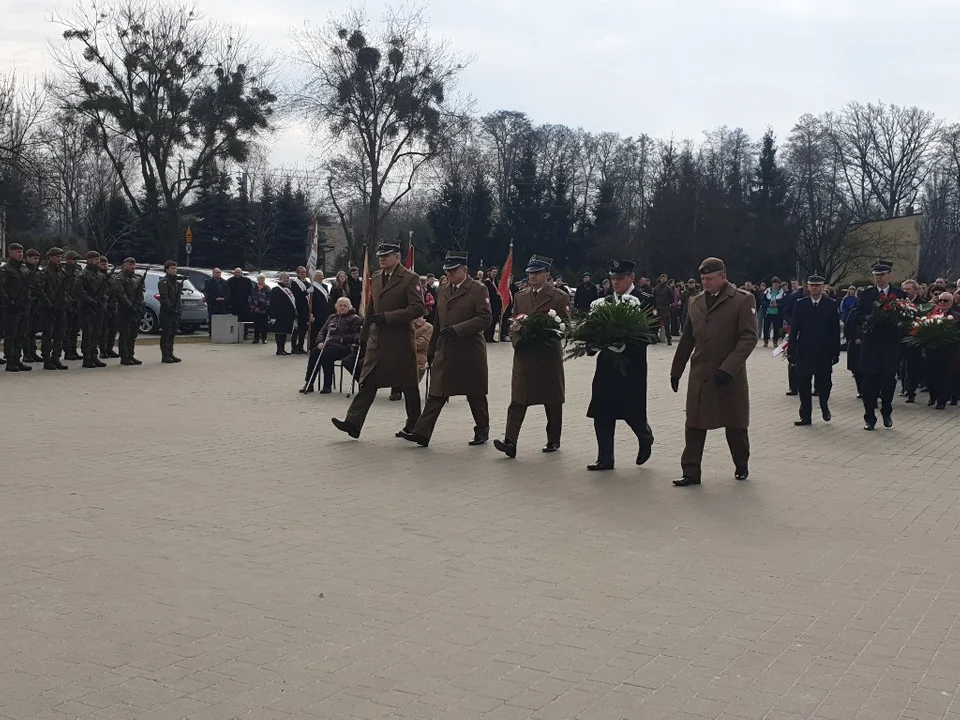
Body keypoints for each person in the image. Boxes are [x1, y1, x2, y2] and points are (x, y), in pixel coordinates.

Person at [670, 257, 757, 486]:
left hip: (729, 374)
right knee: (694, 423)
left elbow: (748, 337)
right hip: (701, 372)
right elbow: (688, 336)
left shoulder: (742, 300)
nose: (705, 282)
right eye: (702, 279)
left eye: (709, 278)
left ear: (723, 277)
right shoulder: (695, 302)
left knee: (735, 423)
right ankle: (691, 471)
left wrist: (729, 368)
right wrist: (676, 370)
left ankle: (741, 463)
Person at [332, 242, 425, 439]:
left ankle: (414, 425)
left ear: (397, 257)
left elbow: (418, 308)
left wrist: (390, 317)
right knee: (367, 381)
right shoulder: (375, 277)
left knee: (409, 384)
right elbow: (372, 308)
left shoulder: (409, 278)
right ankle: (353, 423)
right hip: (378, 340)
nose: (382, 258)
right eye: (380, 255)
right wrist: (363, 336)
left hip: (400, 341)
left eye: (387, 255)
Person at [398, 251, 491, 448]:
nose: (449, 274)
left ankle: (482, 430)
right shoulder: (443, 289)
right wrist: (431, 350)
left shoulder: (477, 289)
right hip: (446, 349)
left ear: (465, 270)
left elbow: (485, 318)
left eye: (453, 270)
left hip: (469, 350)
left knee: (474, 393)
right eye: (447, 270)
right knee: (437, 393)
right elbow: (438, 322)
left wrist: (458, 330)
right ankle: (422, 433)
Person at [493, 254, 571, 458]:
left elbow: (565, 325)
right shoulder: (520, 296)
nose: (532, 277)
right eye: (530, 273)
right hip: (525, 355)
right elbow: (515, 323)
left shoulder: (558, 296)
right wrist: (518, 341)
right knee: (518, 400)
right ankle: (510, 442)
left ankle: (553, 438)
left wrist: (548, 334)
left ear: (547, 274)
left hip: (547, 356)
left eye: (537, 273)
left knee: (552, 400)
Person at [585, 259, 655, 471]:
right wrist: (592, 342)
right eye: (613, 278)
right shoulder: (604, 301)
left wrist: (624, 343)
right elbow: (592, 327)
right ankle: (605, 458)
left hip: (631, 366)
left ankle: (645, 437)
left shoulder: (644, 299)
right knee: (601, 411)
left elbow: (648, 334)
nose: (615, 283)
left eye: (620, 278)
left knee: (632, 411)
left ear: (632, 278)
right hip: (606, 365)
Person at [852, 262, 902, 430]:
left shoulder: (898, 294)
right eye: (876, 275)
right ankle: (869, 417)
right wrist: (869, 318)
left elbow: (907, 316)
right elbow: (857, 315)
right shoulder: (867, 295)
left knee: (889, 382)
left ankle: (886, 411)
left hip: (890, 345)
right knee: (869, 384)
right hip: (871, 345)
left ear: (889, 275)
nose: (879, 278)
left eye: (882, 274)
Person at [788, 275, 840, 425]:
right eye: (812, 285)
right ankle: (805, 416)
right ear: (808, 287)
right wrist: (791, 350)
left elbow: (835, 330)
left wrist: (835, 352)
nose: (814, 288)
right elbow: (795, 329)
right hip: (804, 350)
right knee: (804, 383)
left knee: (825, 383)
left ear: (823, 287)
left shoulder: (830, 304)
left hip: (823, 351)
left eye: (817, 286)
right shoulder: (801, 304)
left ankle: (824, 404)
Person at [301, 296, 362, 394]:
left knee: (326, 354)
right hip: (328, 345)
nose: (342, 307)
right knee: (314, 352)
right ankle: (309, 383)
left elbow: (356, 335)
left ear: (349, 307)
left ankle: (327, 385)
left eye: (345, 306)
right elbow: (322, 331)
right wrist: (320, 342)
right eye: (340, 305)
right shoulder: (332, 317)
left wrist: (341, 339)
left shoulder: (354, 318)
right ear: (336, 307)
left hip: (344, 347)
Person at [73, 251, 109, 368]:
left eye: (98, 259)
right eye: (95, 259)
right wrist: (90, 300)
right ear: (88, 260)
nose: (98, 261)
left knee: (96, 333)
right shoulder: (83, 275)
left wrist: (102, 302)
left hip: (98, 308)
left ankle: (94, 355)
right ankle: (87, 358)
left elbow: (105, 291)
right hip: (87, 309)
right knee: (88, 333)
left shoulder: (101, 275)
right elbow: (78, 290)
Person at [925, 293, 960, 410]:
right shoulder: (931, 314)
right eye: (940, 300)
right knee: (930, 375)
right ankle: (933, 396)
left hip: (947, 351)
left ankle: (942, 400)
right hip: (932, 350)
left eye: (946, 301)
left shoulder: (956, 316)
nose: (943, 303)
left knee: (944, 376)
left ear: (951, 303)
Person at [0, 243, 32, 372]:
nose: (20, 254)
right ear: (10, 253)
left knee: (21, 335)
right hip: (10, 308)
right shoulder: (5, 270)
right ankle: (10, 361)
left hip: (23, 307)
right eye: (17, 252)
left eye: (21, 252)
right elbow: (1, 288)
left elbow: (29, 286)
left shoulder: (24, 269)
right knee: (11, 335)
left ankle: (18, 359)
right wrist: (9, 301)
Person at [38, 247, 70, 370]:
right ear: (50, 257)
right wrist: (48, 304)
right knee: (48, 334)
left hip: (61, 308)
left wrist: (65, 302)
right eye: (57, 256)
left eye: (60, 256)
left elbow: (66, 290)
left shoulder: (62, 273)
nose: (59, 259)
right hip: (48, 309)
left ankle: (56, 358)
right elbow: (39, 290)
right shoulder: (44, 272)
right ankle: (47, 360)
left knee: (60, 334)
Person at [113, 257, 144, 366]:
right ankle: (124, 357)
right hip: (125, 310)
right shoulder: (119, 279)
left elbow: (140, 294)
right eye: (130, 264)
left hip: (135, 310)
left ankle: (130, 355)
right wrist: (130, 305)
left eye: (133, 265)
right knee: (125, 334)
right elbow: (121, 294)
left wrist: (139, 306)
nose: (132, 267)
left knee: (132, 335)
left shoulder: (136, 278)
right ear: (124, 265)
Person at [157, 260, 183, 363]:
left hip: (174, 312)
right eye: (172, 268)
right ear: (167, 269)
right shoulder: (163, 282)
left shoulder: (175, 283)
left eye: (175, 268)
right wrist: (170, 309)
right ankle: (165, 355)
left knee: (172, 333)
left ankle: (170, 353)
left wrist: (178, 309)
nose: (174, 270)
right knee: (166, 334)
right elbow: (164, 297)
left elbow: (178, 298)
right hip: (167, 312)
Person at [97, 255, 120, 360]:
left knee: (113, 329)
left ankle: (109, 348)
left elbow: (114, 289)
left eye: (106, 264)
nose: (105, 266)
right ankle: (103, 350)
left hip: (112, 305)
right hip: (103, 305)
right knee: (104, 330)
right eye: (102, 264)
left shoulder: (110, 276)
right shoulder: (98, 276)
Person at [62, 251, 82, 361]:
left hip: (76, 303)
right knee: (68, 329)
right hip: (67, 303)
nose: (73, 261)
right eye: (72, 259)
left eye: (75, 259)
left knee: (75, 330)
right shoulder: (63, 271)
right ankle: (68, 351)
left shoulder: (78, 271)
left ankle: (73, 350)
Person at [289, 266, 311, 353]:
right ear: (298, 273)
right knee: (296, 329)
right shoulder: (295, 283)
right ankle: (294, 347)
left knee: (303, 329)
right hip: (299, 308)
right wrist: (306, 292)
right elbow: (297, 296)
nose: (304, 274)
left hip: (306, 309)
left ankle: (301, 346)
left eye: (305, 272)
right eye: (302, 272)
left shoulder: (307, 282)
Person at [203, 268, 231, 336]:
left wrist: (224, 298)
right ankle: (212, 333)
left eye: (219, 272)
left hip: (222, 304)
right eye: (217, 273)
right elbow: (208, 292)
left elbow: (228, 292)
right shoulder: (208, 282)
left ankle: (222, 332)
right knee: (212, 319)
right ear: (213, 273)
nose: (218, 274)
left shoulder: (224, 282)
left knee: (222, 319)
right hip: (213, 304)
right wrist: (215, 298)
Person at [227, 268, 253, 339]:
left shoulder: (247, 281)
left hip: (244, 304)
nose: (237, 274)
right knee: (235, 320)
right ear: (234, 273)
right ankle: (235, 334)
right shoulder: (230, 281)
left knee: (245, 320)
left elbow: (251, 292)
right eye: (236, 272)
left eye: (239, 272)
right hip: (234, 304)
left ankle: (245, 334)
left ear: (241, 273)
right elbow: (228, 292)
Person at [762, 277, 786, 347]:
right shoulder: (767, 291)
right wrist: (768, 304)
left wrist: (777, 305)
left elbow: (784, 303)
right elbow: (762, 301)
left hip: (777, 313)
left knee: (776, 328)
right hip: (768, 312)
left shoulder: (782, 293)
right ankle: (765, 341)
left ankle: (775, 341)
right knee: (766, 327)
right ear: (772, 284)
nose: (776, 285)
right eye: (774, 283)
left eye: (777, 284)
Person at [653, 273, 675, 345]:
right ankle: (654, 338)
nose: (663, 280)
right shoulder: (656, 288)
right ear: (660, 279)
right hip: (657, 308)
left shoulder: (668, 288)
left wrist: (668, 304)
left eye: (664, 278)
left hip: (665, 308)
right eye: (662, 278)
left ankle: (669, 339)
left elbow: (672, 298)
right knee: (655, 324)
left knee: (667, 325)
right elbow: (652, 297)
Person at [248, 276, 270, 343]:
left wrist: (261, 308)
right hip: (255, 310)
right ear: (258, 280)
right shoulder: (254, 288)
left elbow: (268, 300)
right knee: (256, 324)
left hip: (264, 310)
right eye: (260, 278)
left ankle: (264, 338)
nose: (262, 280)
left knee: (264, 325)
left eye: (263, 279)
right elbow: (250, 299)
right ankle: (256, 338)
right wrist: (254, 308)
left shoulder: (267, 288)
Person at [483, 266, 502, 342]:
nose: (494, 273)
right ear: (489, 272)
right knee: (489, 321)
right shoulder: (487, 282)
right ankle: (487, 336)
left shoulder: (495, 282)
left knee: (494, 320)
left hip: (496, 305)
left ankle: (491, 336)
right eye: (493, 272)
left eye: (496, 272)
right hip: (490, 304)